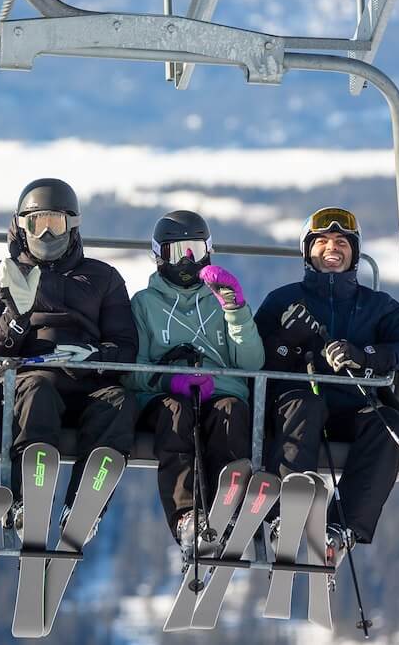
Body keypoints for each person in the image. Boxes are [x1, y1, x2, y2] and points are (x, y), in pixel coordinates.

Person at [254, 206, 399, 570]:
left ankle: (341, 527)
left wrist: (368, 356)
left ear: (354, 252)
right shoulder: (282, 300)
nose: (332, 248)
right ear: (307, 252)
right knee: (306, 406)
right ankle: (281, 514)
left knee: (390, 427)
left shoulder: (376, 307)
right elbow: (253, 361)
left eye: (341, 242)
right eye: (321, 241)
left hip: (353, 409)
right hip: (298, 410)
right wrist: (289, 339)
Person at [0, 178, 138, 538]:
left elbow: (125, 344)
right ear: (20, 226)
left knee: (118, 403)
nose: (45, 234)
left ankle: (84, 505)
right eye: (36, 223)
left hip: (84, 382)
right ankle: (28, 497)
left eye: (55, 223)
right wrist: (15, 317)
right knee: (38, 389)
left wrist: (95, 355)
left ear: (72, 226)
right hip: (21, 384)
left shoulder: (102, 278)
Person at [124, 210, 264, 552]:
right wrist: (166, 381)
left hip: (220, 390)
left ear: (208, 251)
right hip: (166, 397)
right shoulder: (144, 305)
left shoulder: (221, 302)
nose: (186, 261)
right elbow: (130, 371)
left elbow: (251, 362)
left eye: (194, 251)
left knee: (229, 412)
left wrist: (236, 311)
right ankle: (187, 516)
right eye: (175, 252)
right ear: (158, 257)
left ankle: (227, 505)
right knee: (176, 415)